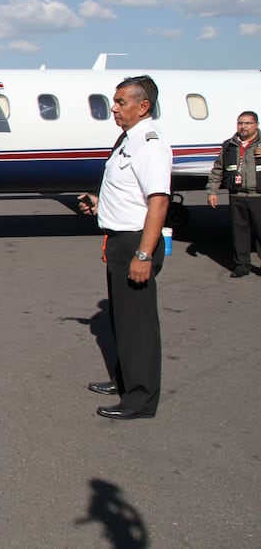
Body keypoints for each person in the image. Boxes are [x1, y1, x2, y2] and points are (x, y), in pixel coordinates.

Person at [77, 75, 171, 421]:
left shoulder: (149, 144)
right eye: (114, 102)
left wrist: (143, 255)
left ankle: (141, 399)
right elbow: (130, 194)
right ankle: (125, 380)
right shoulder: (127, 140)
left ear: (143, 106)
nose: (113, 108)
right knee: (122, 319)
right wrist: (99, 204)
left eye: (120, 102)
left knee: (138, 324)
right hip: (120, 239)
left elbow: (158, 203)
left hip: (136, 242)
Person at [205, 111, 261, 277]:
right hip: (237, 196)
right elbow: (217, 170)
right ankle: (242, 265)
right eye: (240, 123)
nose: (243, 127)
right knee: (239, 232)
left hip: (258, 196)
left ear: (256, 125)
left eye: (247, 123)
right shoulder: (229, 145)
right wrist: (212, 191)